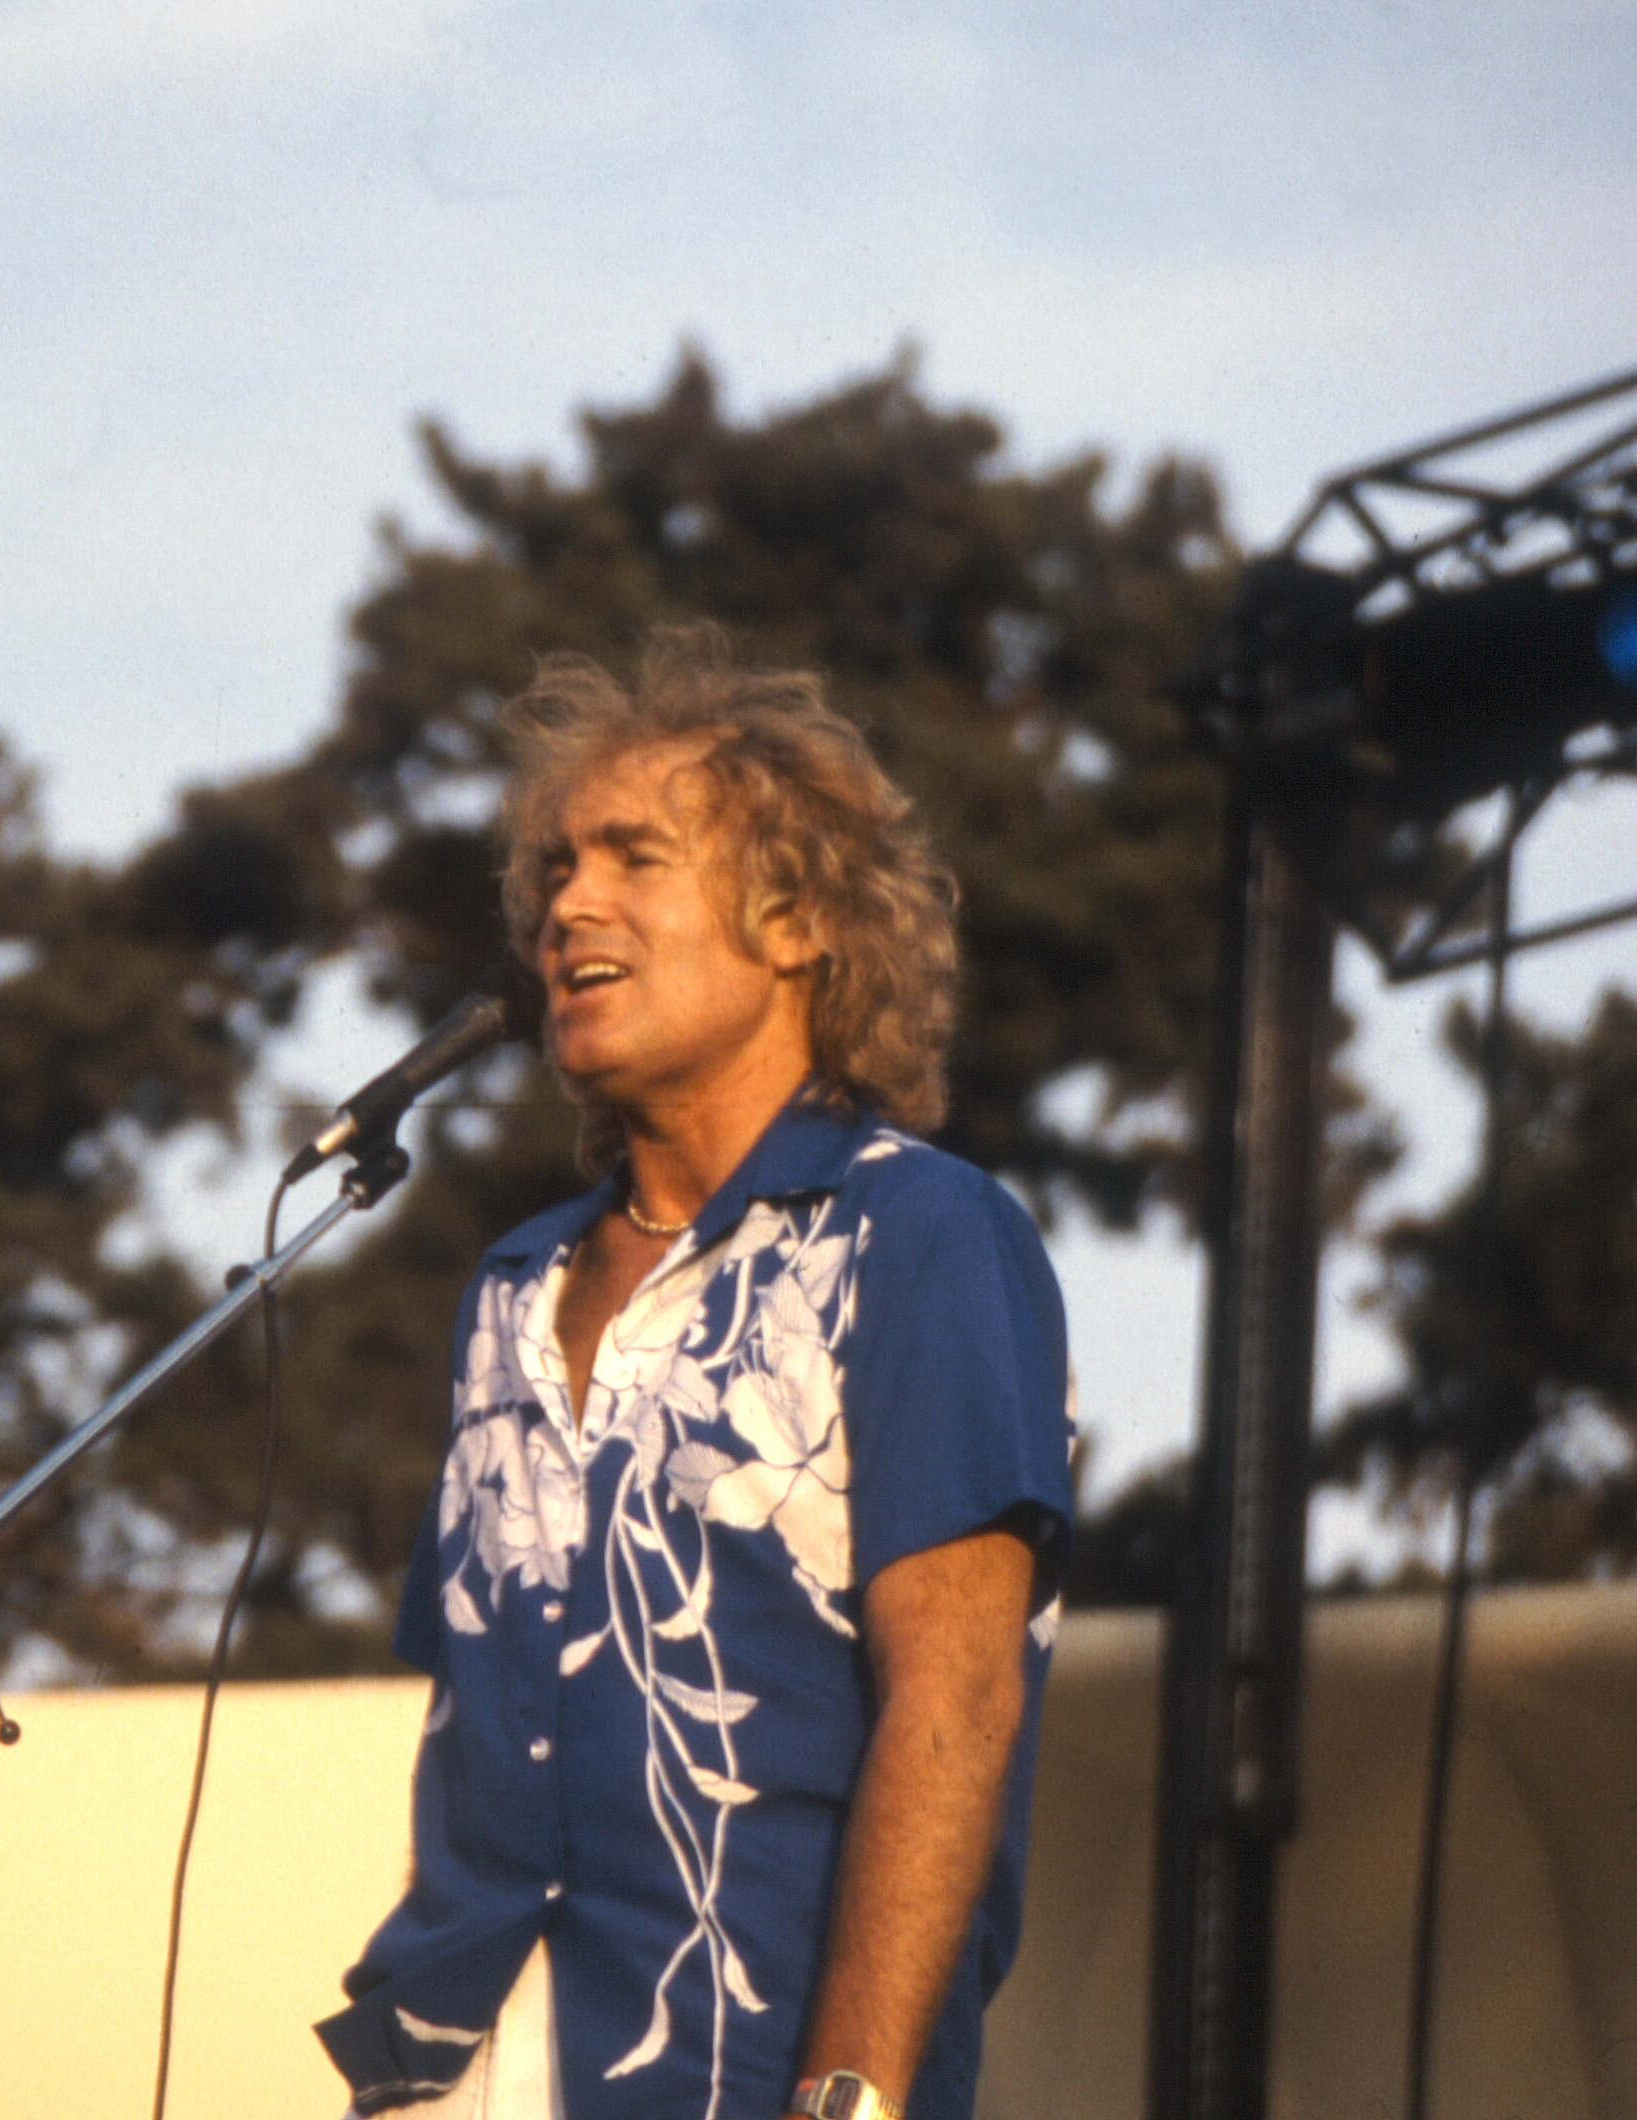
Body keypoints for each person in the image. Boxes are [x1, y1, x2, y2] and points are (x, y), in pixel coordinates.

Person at [318, 629, 1074, 2120]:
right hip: (452, 2069)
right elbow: (477, 1728)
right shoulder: (509, 1288)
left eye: (630, 858)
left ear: (793, 921)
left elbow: (955, 1700)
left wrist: (845, 2099)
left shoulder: (918, 1234)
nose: (565, 904)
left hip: (740, 2073)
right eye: (551, 871)